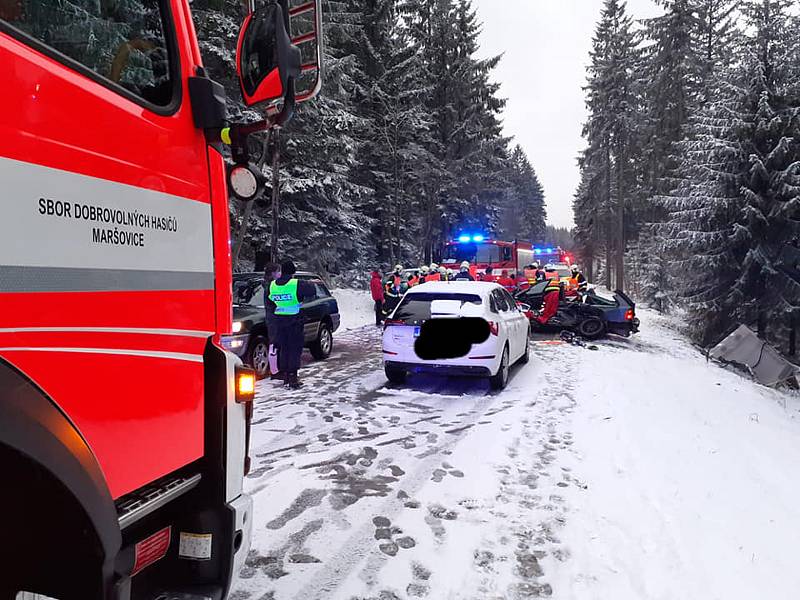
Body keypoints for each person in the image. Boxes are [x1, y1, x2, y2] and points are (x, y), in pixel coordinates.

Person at [269, 260, 315, 389]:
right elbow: (311, 291)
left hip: (279, 320)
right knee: (294, 348)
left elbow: (270, 299)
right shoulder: (296, 283)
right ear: (293, 272)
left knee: (284, 348)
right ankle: (293, 378)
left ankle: (286, 377)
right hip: (294, 320)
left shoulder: (273, 285)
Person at [263, 262, 283, 379]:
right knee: (274, 344)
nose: (279, 273)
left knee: (275, 343)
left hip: (273, 317)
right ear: (272, 273)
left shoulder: (269, 285)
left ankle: (276, 369)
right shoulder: (270, 286)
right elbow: (273, 302)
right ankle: (275, 371)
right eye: (278, 271)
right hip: (274, 317)